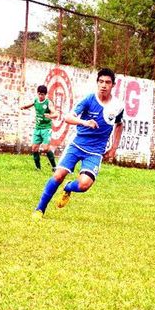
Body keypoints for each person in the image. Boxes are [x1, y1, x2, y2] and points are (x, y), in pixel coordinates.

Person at [32, 68, 124, 219]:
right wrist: (84, 122)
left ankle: (68, 187)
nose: (104, 85)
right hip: (77, 145)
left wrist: (114, 147)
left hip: (95, 151)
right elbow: (68, 117)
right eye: (101, 82)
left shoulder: (117, 106)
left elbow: (119, 124)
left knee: (84, 185)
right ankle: (39, 210)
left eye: (107, 82)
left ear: (113, 85)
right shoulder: (89, 100)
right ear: (97, 83)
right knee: (58, 175)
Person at [20, 85, 58, 171]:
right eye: (39, 94)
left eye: (43, 94)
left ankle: (54, 167)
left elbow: (56, 114)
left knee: (45, 148)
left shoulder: (48, 103)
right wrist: (23, 107)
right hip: (37, 128)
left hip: (46, 129)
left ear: (45, 95)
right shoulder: (36, 100)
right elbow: (31, 104)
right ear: (37, 93)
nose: (41, 96)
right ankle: (38, 168)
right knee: (34, 148)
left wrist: (50, 116)